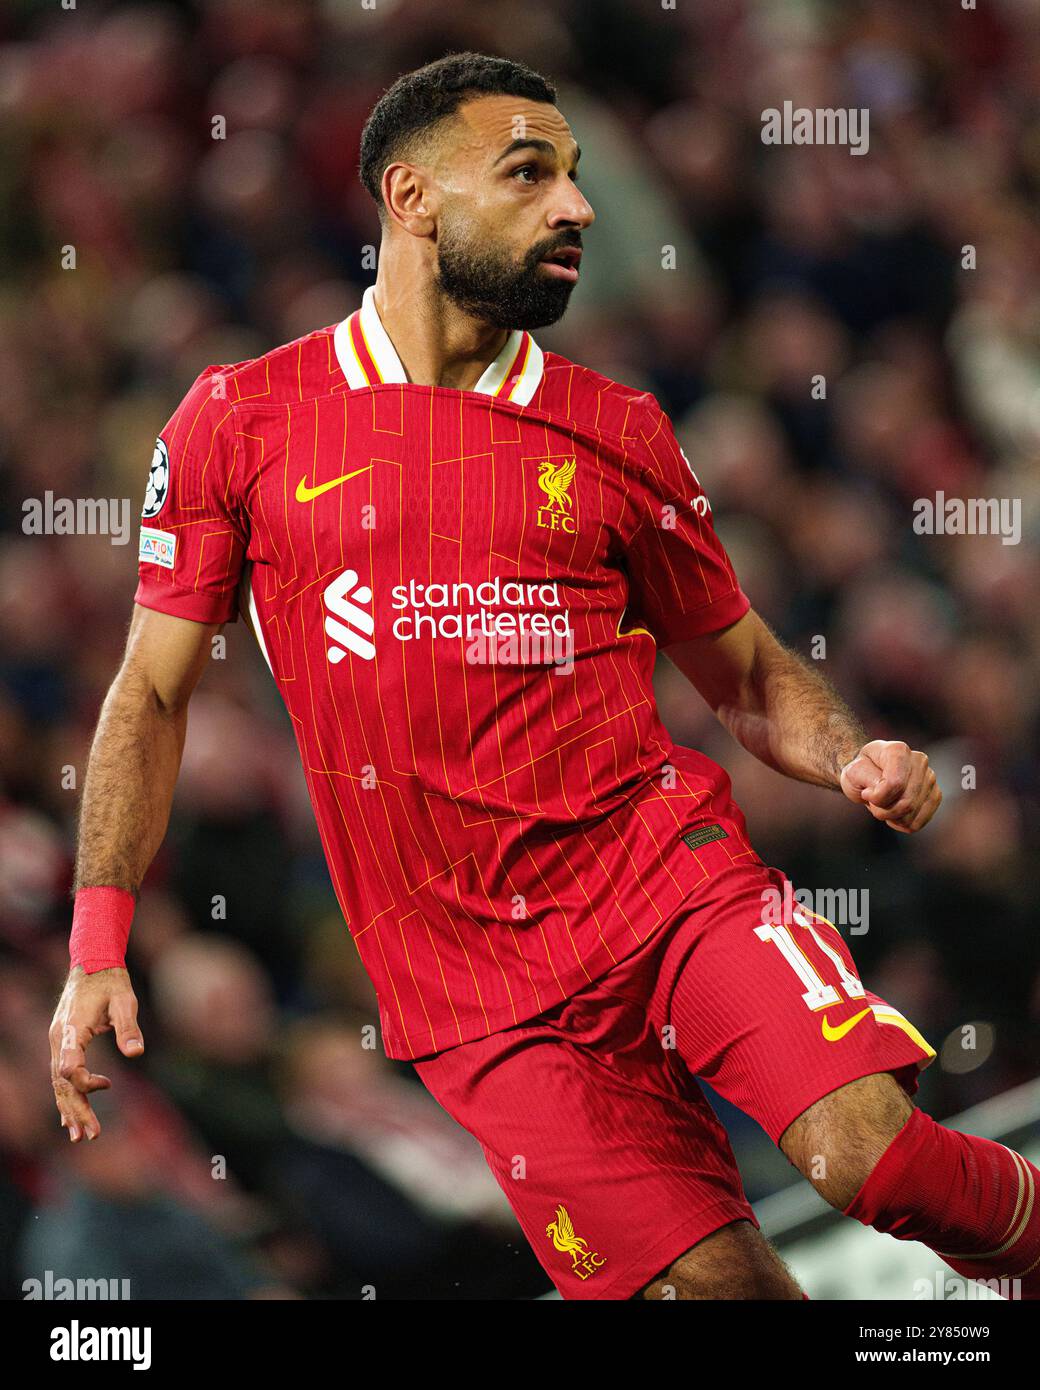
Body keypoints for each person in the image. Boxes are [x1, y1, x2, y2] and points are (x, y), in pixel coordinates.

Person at [50, 52, 1038, 1301]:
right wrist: (97, 946)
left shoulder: (616, 425)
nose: (575, 206)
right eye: (529, 175)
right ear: (409, 198)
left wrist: (845, 752)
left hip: (667, 887)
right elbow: (149, 692)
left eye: (573, 177)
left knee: (870, 1160)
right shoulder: (238, 420)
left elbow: (739, 669)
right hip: (474, 999)